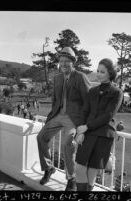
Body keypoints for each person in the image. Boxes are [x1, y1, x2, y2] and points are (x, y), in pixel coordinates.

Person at [36, 47, 91, 191]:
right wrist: (51, 117)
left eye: (67, 61)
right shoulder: (57, 78)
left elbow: (88, 101)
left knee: (67, 144)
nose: (64, 64)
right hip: (58, 115)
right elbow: (55, 100)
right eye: (61, 61)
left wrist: (83, 125)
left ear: (73, 62)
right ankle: (48, 168)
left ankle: (71, 178)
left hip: (74, 119)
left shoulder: (80, 77)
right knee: (41, 137)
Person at [74, 58, 123, 191]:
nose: (98, 74)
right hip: (88, 132)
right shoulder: (92, 91)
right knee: (79, 167)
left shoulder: (117, 93)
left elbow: (108, 115)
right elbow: (84, 111)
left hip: (103, 135)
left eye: (102, 72)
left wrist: (86, 127)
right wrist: (80, 131)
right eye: (98, 71)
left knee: (92, 172)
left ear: (110, 73)